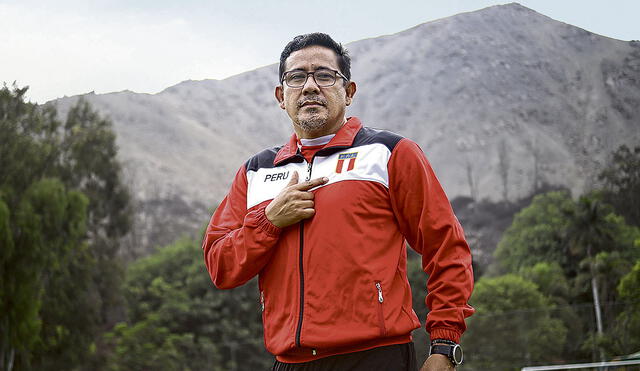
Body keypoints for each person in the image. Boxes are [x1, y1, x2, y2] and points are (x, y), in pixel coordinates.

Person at [202, 33, 474, 371]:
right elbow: (220, 266)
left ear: (348, 92)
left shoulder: (390, 153)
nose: (310, 86)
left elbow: (446, 247)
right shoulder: (255, 171)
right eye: (296, 77)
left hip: (376, 357)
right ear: (281, 97)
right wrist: (268, 221)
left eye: (325, 75)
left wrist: (445, 344)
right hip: (289, 362)